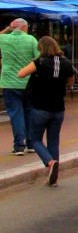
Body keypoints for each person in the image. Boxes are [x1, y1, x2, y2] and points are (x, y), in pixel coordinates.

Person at [17, 36, 75, 186]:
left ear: (42, 49)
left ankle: (50, 162)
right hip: (58, 109)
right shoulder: (67, 63)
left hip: (40, 107)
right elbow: (71, 82)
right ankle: (53, 177)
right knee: (53, 141)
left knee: (34, 139)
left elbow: (21, 74)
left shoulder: (40, 62)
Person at [0, 18, 39, 155]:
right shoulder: (31, 40)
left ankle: (19, 146)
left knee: (16, 115)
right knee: (29, 113)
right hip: (28, 83)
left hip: (9, 83)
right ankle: (31, 144)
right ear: (23, 27)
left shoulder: (3, 39)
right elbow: (38, 58)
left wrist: (7, 29)